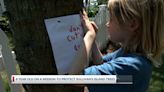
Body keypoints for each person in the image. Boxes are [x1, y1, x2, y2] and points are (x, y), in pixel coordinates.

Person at [69, 0, 164, 92]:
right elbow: (101, 62)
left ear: (132, 24)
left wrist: (90, 35)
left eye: (111, 19)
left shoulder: (130, 66)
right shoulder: (130, 54)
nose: (107, 24)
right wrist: (93, 41)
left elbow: (74, 78)